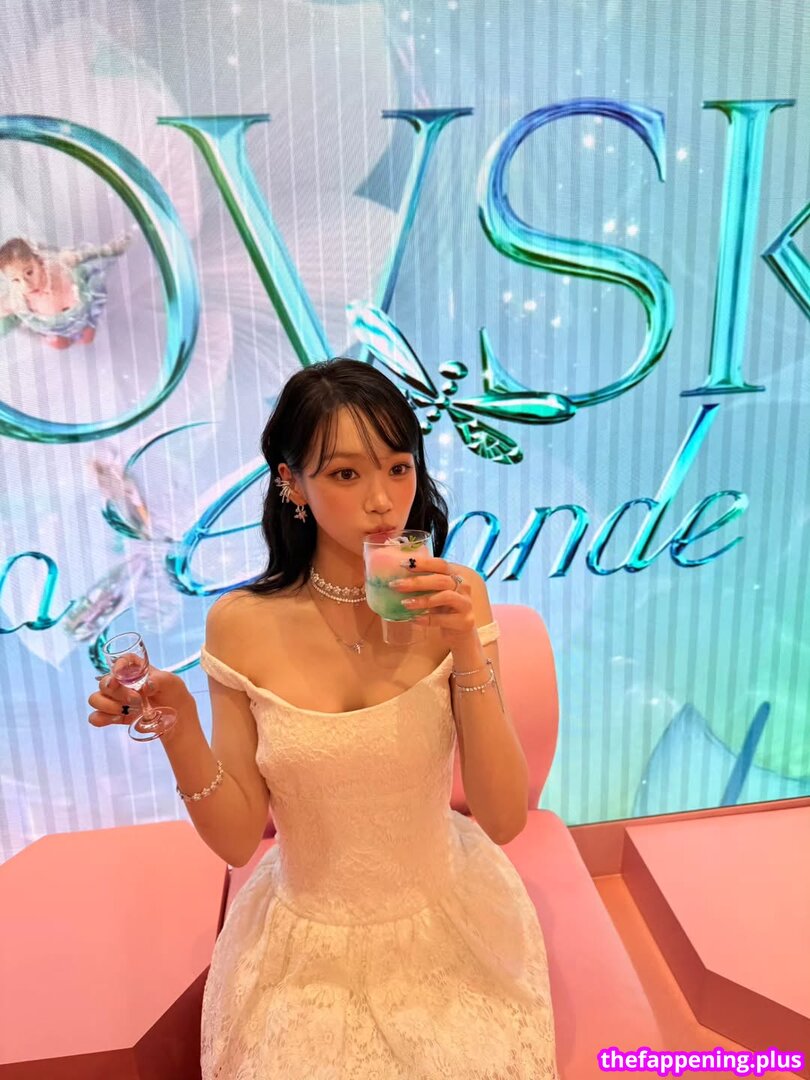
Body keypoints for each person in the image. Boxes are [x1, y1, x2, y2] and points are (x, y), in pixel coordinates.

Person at [86, 357, 559, 1079]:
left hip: (448, 917)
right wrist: (177, 725)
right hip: (303, 942)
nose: (382, 501)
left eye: (398, 468)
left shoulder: (456, 595)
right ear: (290, 482)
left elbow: (501, 819)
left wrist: (466, 644)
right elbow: (238, 839)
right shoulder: (240, 625)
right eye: (345, 474)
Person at [0, 231, 133, 349]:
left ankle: (85, 329)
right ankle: (44, 337)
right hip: (55, 331)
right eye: (16, 280)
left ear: (40, 262)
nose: (26, 284)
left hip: (81, 320)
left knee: (88, 338)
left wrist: (114, 250)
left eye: (29, 273)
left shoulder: (60, 265)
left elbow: (88, 255)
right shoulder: (17, 299)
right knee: (59, 344)